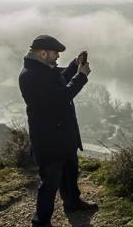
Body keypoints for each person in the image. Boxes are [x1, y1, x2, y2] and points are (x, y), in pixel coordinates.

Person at [18, 34, 98, 226]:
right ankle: (41, 222)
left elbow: (59, 79)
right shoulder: (31, 76)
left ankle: (72, 202)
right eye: (55, 54)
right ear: (43, 53)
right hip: (49, 140)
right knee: (50, 184)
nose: (57, 58)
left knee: (70, 173)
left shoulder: (42, 69)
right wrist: (81, 76)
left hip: (62, 136)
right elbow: (62, 96)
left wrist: (74, 65)